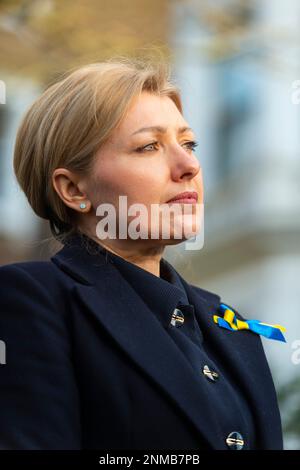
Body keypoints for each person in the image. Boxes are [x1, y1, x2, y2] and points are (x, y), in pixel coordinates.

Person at [0, 57, 284, 450]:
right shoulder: (32, 302)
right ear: (74, 191)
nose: (189, 166)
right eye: (149, 146)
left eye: (188, 143)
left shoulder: (230, 323)